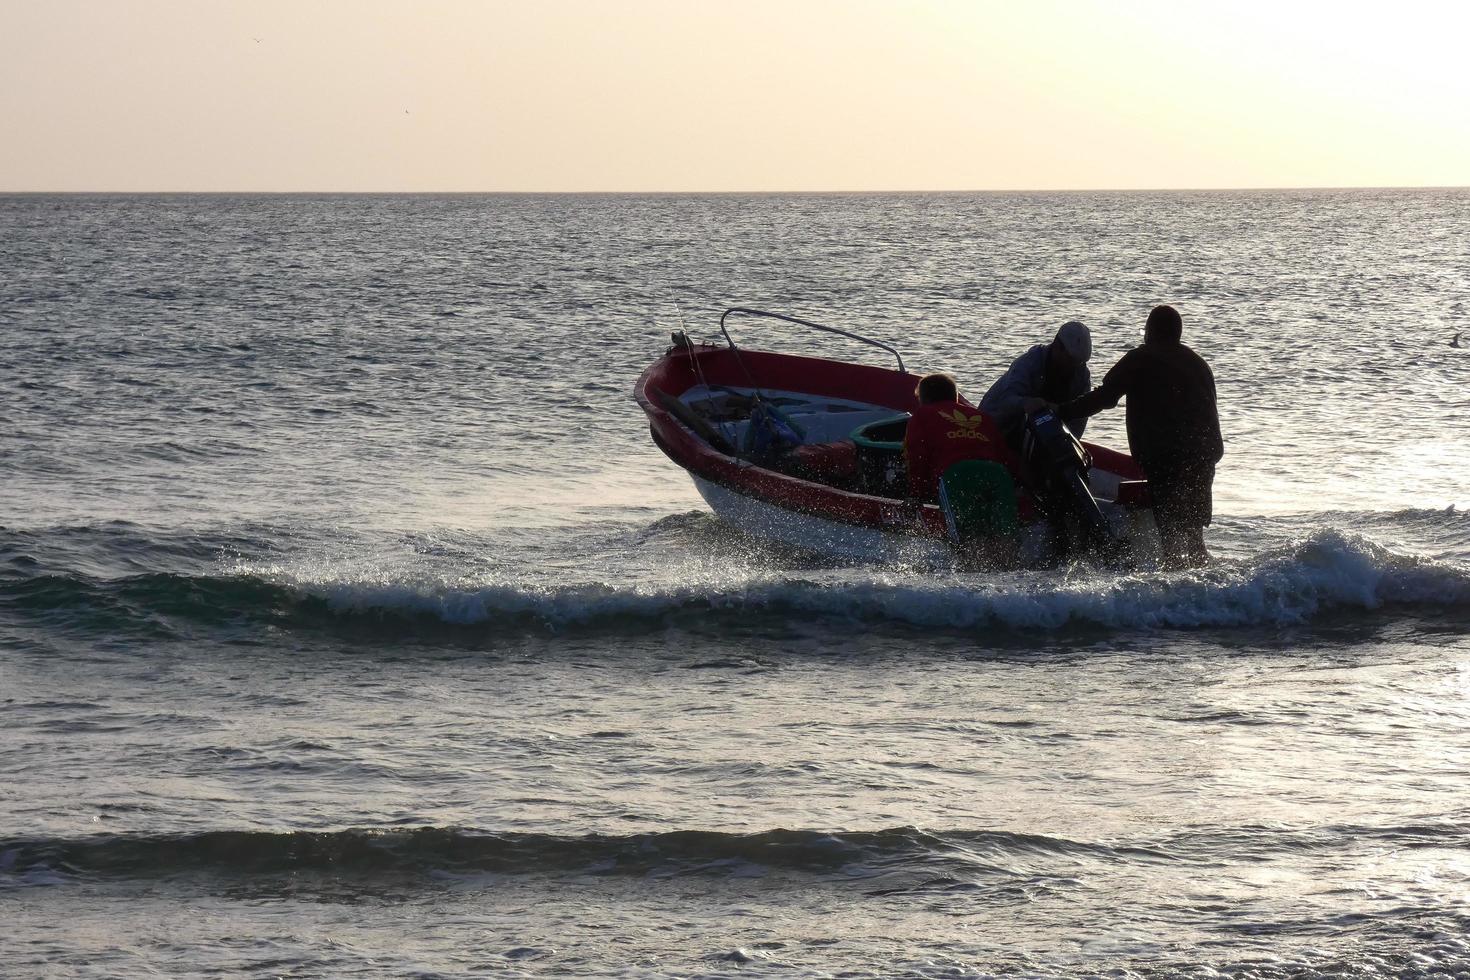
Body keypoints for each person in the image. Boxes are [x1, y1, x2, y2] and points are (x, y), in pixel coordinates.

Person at [1056, 305, 1223, 569]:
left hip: (1167, 458)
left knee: (1170, 541)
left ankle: (1175, 599)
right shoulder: (1199, 363)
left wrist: (1061, 412)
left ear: (1150, 332)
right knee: (1195, 541)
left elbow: (1104, 397)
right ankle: (1219, 600)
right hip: (1204, 457)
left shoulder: (1141, 358)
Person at [903, 372, 1026, 566]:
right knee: (1005, 540)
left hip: (958, 475)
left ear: (924, 400)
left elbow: (918, 457)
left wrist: (916, 495)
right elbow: (1004, 455)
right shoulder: (981, 417)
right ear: (955, 397)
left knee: (967, 543)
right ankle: (1010, 578)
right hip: (997, 475)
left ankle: (972, 581)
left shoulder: (922, 415)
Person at [980, 320, 1093, 447]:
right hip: (994, 428)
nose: (1075, 366)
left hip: (1038, 437)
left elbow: (1079, 420)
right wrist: (1025, 403)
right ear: (1057, 345)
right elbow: (1006, 400)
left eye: (1080, 362)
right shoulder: (1028, 363)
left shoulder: (1082, 375)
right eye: (1071, 359)